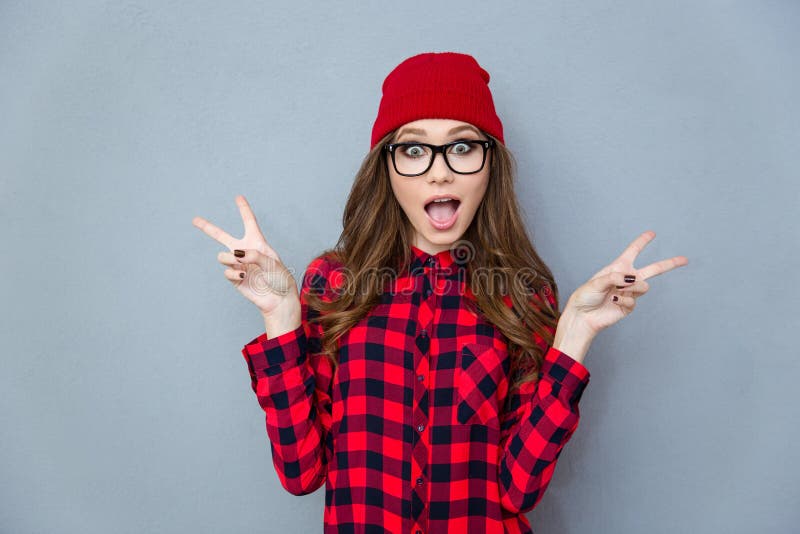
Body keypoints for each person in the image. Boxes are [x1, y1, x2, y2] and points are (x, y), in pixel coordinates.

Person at [192, 51, 688, 533]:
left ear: (490, 163)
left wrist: (575, 336)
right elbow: (301, 474)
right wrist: (280, 317)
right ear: (385, 167)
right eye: (412, 149)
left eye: (463, 146)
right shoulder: (334, 285)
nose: (439, 170)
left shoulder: (522, 294)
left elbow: (519, 491)